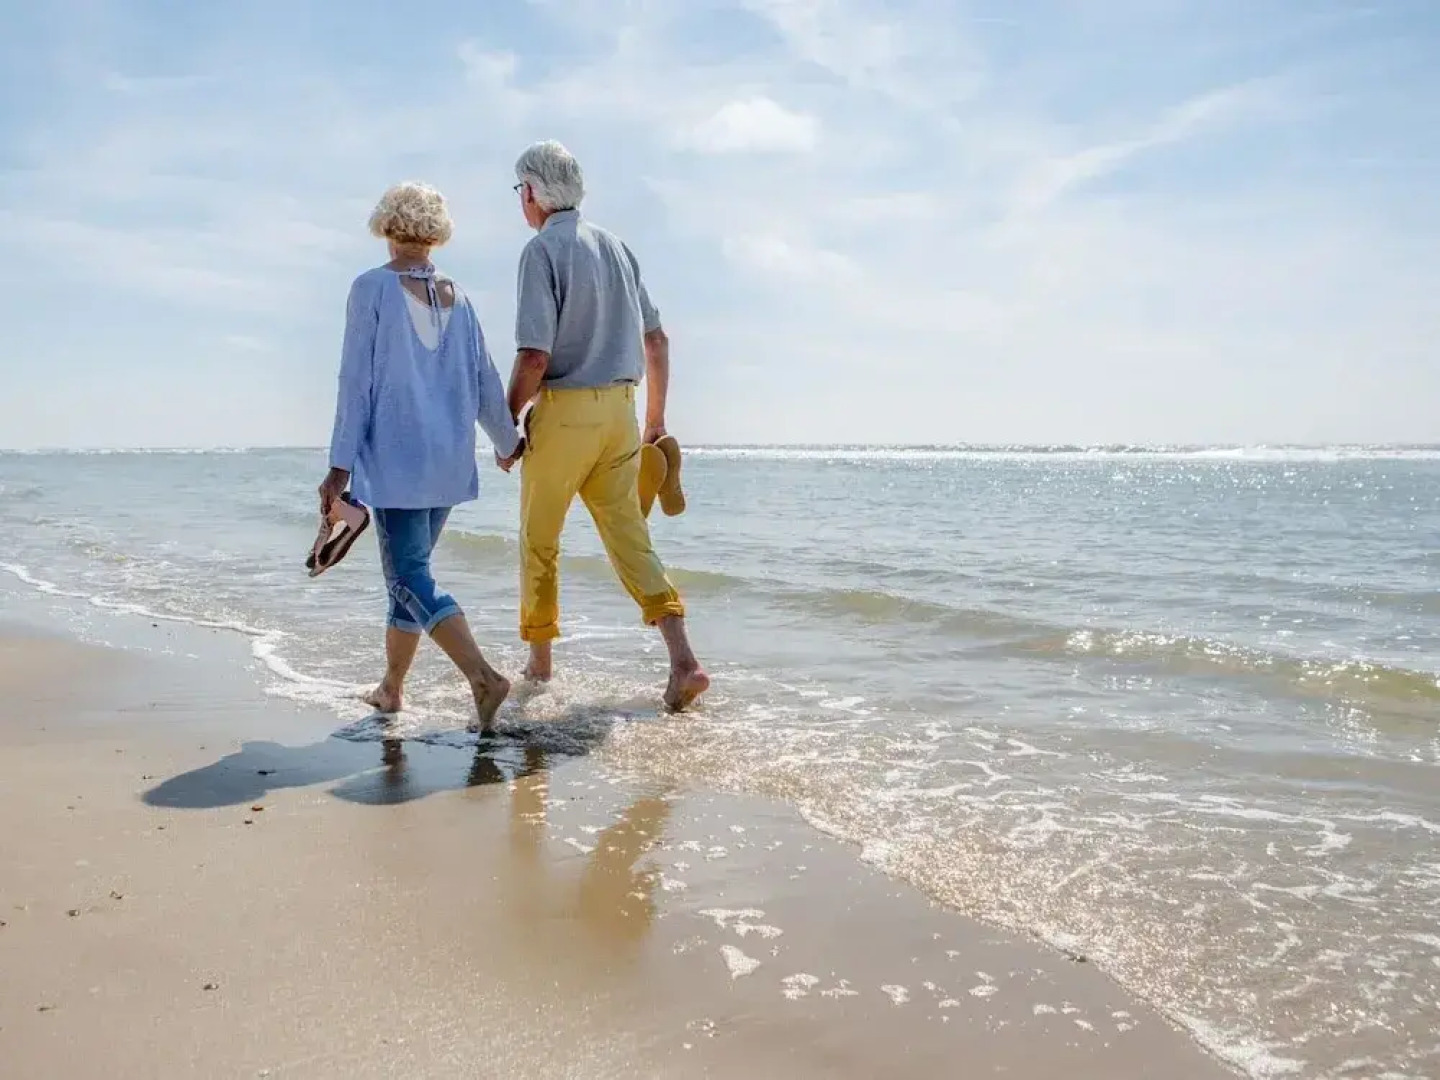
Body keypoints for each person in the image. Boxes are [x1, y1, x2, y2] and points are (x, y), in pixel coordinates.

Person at [504, 140, 709, 712]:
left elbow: (535, 356)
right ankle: (684, 661)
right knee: (628, 537)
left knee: (539, 539)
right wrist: (655, 423)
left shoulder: (542, 251)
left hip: (565, 412)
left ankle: (540, 669)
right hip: (622, 411)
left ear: (532, 193)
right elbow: (657, 340)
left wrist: (505, 422)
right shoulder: (618, 248)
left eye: (520, 192)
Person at [320, 181, 523, 733]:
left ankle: (483, 677)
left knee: (407, 575)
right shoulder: (464, 297)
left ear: (387, 226)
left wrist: (339, 465)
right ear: (436, 233)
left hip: (399, 459)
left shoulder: (371, 289)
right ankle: (391, 688)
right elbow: (486, 381)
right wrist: (507, 444)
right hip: (449, 461)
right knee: (411, 572)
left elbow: (354, 382)